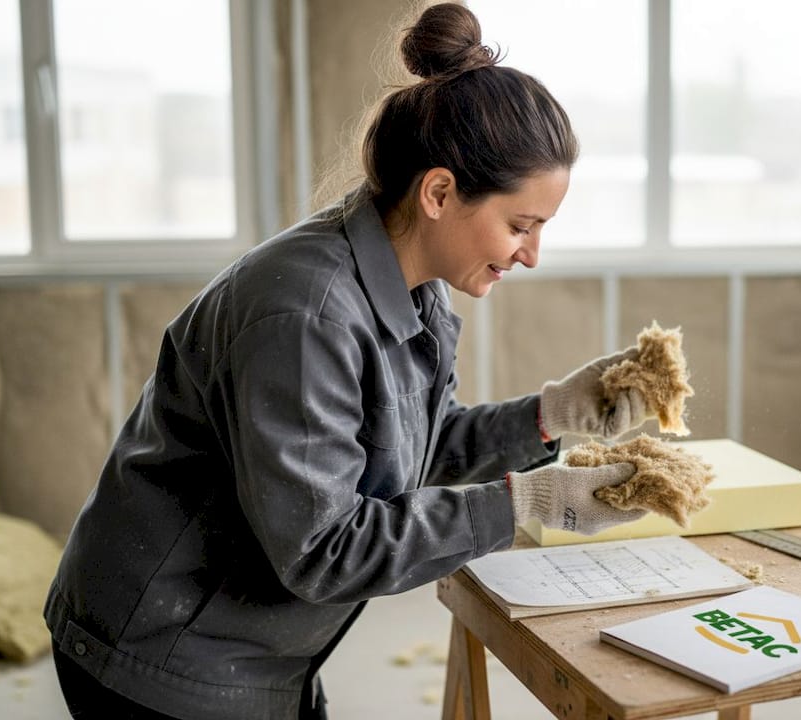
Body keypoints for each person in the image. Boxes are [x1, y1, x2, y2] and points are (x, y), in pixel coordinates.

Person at [44, 4, 653, 718]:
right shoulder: (305, 312)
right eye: (520, 225)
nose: (531, 253)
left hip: (259, 645)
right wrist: (531, 506)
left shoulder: (414, 287)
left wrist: (551, 417)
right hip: (167, 654)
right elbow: (324, 547)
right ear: (438, 193)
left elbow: (408, 451)